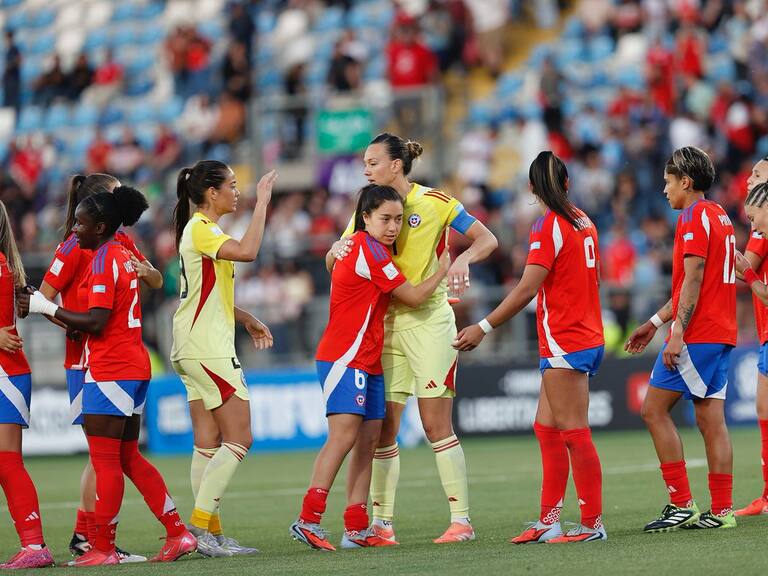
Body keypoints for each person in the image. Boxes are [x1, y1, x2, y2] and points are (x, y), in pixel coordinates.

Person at [329, 133, 497, 544]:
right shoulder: (369, 207)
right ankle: (382, 524)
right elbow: (338, 257)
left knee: (435, 423)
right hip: (385, 327)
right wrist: (335, 250)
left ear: (395, 165)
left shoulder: (436, 203)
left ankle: (461, 521)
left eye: (372, 162)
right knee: (384, 429)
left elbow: (487, 239)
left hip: (429, 323)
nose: (366, 170)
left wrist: (461, 259)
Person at [19, 186, 197, 566]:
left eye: (80, 224)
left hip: (110, 368)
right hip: (133, 364)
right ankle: (177, 532)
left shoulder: (103, 259)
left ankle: (102, 547)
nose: (74, 230)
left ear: (100, 227)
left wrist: (44, 307)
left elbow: (97, 322)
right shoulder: (122, 252)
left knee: (105, 462)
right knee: (128, 457)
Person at [454, 151, 607, 543]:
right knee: (547, 427)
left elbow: (527, 288)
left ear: (531, 188)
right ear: (567, 183)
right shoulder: (584, 220)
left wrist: (483, 326)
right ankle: (548, 520)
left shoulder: (549, 225)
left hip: (566, 338)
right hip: (582, 332)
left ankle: (592, 525)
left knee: (574, 432)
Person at [291, 184, 451, 551]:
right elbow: (413, 297)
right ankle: (308, 519)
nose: (393, 227)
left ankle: (356, 527)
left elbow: (335, 263)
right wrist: (442, 269)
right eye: (385, 219)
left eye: (398, 219)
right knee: (343, 437)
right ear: (365, 218)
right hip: (344, 356)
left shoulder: (368, 248)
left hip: (369, 359)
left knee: (368, 441)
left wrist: (333, 250)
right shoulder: (367, 248)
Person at [37, 173, 161, 562]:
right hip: (85, 359)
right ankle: (89, 537)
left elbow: (156, 279)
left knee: (104, 455)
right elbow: (44, 299)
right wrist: (73, 327)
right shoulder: (75, 246)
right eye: (116, 192)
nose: (123, 197)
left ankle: (88, 536)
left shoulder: (119, 243)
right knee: (102, 455)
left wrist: (146, 272)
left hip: (111, 356)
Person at [625, 146, 737, 531]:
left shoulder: (693, 217)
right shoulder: (719, 215)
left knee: (653, 410)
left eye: (668, 182)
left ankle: (681, 504)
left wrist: (676, 334)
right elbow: (695, 283)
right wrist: (654, 322)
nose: (664, 190)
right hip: (721, 332)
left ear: (686, 182)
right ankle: (722, 511)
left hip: (698, 334)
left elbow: (694, 278)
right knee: (711, 420)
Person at [171, 161, 276, 557]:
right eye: (231, 185)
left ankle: (210, 534)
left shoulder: (201, 230)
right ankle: (198, 528)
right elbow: (248, 251)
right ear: (211, 193)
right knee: (240, 437)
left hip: (191, 346)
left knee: (208, 443)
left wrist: (245, 317)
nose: (237, 191)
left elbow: (207, 294)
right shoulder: (201, 228)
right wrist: (262, 202)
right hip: (208, 348)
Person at [0, 200, 54, 569]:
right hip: (9, 371)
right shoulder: (5, 264)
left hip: (6, 373)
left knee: (7, 462)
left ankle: (34, 545)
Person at [734, 157, 768, 516]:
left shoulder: (761, 231)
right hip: (764, 331)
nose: (749, 179)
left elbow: (747, 268)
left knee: (765, 408)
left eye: (757, 174)